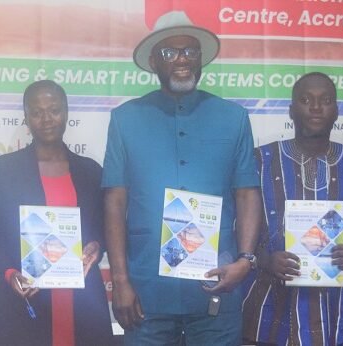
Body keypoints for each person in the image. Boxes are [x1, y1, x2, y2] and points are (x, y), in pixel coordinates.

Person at [101, 11, 262, 345]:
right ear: (153, 61)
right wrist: (120, 280)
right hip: (146, 290)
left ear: (200, 58)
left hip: (217, 283)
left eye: (190, 51)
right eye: (169, 52)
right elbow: (115, 203)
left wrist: (246, 260)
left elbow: (247, 193)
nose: (181, 59)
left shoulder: (233, 118)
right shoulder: (125, 120)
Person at [242, 72, 343, 345]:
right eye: (306, 100)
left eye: (326, 100)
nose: (316, 107)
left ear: (336, 111)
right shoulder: (259, 162)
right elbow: (235, 223)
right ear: (291, 110)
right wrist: (264, 259)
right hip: (273, 301)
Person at [0, 80, 113, 345]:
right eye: (37, 112)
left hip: (82, 300)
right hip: (25, 297)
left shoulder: (90, 171)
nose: (46, 119)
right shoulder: (4, 170)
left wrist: (97, 245)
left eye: (54, 110)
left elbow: (105, 227)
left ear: (66, 113)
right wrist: (9, 273)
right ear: (26, 118)